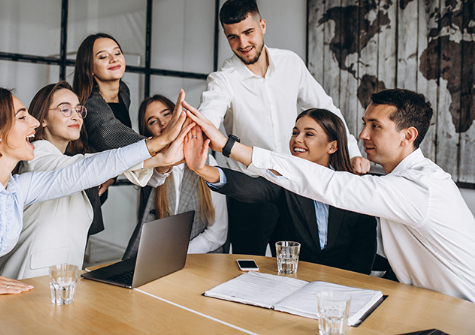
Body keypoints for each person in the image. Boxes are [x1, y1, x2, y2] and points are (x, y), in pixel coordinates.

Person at [0, 87, 190, 301]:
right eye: (23, 116)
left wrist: (153, 145)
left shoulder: (16, 188)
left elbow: (81, 172)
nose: (35, 123)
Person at [183, 89, 475, 302]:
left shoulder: (418, 187)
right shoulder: (398, 181)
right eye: (365, 123)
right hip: (429, 301)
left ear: (408, 135)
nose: (362, 135)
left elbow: (328, 184)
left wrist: (227, 145)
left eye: (376, 126)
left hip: (460, 311)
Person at [198, 0, 370, 256]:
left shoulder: (291, 63)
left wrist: (353, 153)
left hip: (293, 188)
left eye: (248, 32)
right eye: (232, 37)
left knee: (297, 266)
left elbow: (327, 109)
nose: (242, 43)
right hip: (250, 191)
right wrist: (200, 129)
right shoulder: (223, 80)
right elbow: (208, 115)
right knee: (247, 267)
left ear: (262, 26)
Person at [0, 82, 172, 280]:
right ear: (41, 119)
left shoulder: (69, 160)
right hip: (26, 282)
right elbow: (84, 168)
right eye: (65, 109)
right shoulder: (37, 156)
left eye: (78, 109)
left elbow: (85, 168)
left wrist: (160, 160)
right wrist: (156, 149)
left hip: (59, 284)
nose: (76, 115)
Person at [184, 108, 377, 274]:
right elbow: (250, 187)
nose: (297, 139)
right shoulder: (286, 181)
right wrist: (202, 169)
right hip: (294, 282)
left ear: (332, 146)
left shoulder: (354, 187)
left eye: (308, 134)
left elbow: (363, 255)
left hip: (346, 288)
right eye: (295, 132)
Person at [73, 33, 181, 234]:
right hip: (78, 184)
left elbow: (112, 144)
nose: (114, 59)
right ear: (89, 68)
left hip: (100, 180)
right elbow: (112, 135)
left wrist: (112, 175)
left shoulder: (123, 92)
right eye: (103, 56)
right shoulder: (88, 103)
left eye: (117, 53)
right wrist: (162, 143)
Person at [123, 95, 228, 259]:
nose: (162, 123)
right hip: (159, 258)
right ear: (147, 132)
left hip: (201, 259)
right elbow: (154, 178)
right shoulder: (151, 170)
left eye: (166, 114)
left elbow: (218, 232)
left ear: (178, 115)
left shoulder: (207, 162)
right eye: (152, 121)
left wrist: (177, 254)